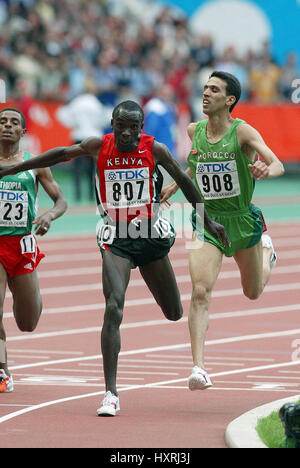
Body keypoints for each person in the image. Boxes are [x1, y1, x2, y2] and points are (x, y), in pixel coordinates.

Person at [0, 100, 229, 415]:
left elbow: (185, 181)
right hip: (115, 238)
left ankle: (117, 382)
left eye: (132, 127)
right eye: (120, 126)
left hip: (148, 237)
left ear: (140, 128)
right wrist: (14, 167)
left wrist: (208, 219)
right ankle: (110, 393)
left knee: (174, 311)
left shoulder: (155, 149)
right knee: (113, 305)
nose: (125, 133)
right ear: (112, 124)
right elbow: (60, 154)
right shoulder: (99, 145)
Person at [160, 71, 285, 391]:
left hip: (242, 221)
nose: (205, 93)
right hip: (208, 221)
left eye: (214, 90)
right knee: (200, 292)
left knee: (253, 291)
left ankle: (267, 252)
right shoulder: (194, 130)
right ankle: (198, 368)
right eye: (204, 88)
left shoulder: (242, 132)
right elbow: (198, 163)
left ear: (229, 100)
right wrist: (176, 184)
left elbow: (277, 164)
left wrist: (264, 169)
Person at [0, 107, 67, 393]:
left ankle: (29, 297)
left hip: (23, 245)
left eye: (14, 122)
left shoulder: (35, 164)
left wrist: (49, 215)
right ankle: (3, 370)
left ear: (22, 131)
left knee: (28, 322)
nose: (7, 125)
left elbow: (61, 201)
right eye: (2, 121)